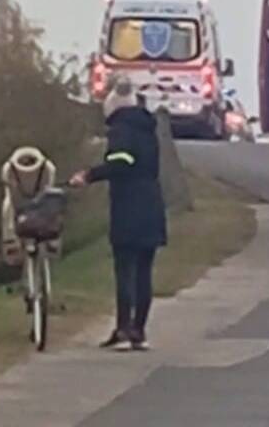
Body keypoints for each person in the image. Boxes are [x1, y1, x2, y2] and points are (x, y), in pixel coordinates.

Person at [71, 79, 167, 351]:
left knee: (125, 268)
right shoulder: (147, 128)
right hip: (152, 202)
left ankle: (124, 329)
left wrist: (89, 175)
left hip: (129, 204)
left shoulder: (121, 129)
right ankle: (139, 331)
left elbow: (121, 163)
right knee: (144, 271)